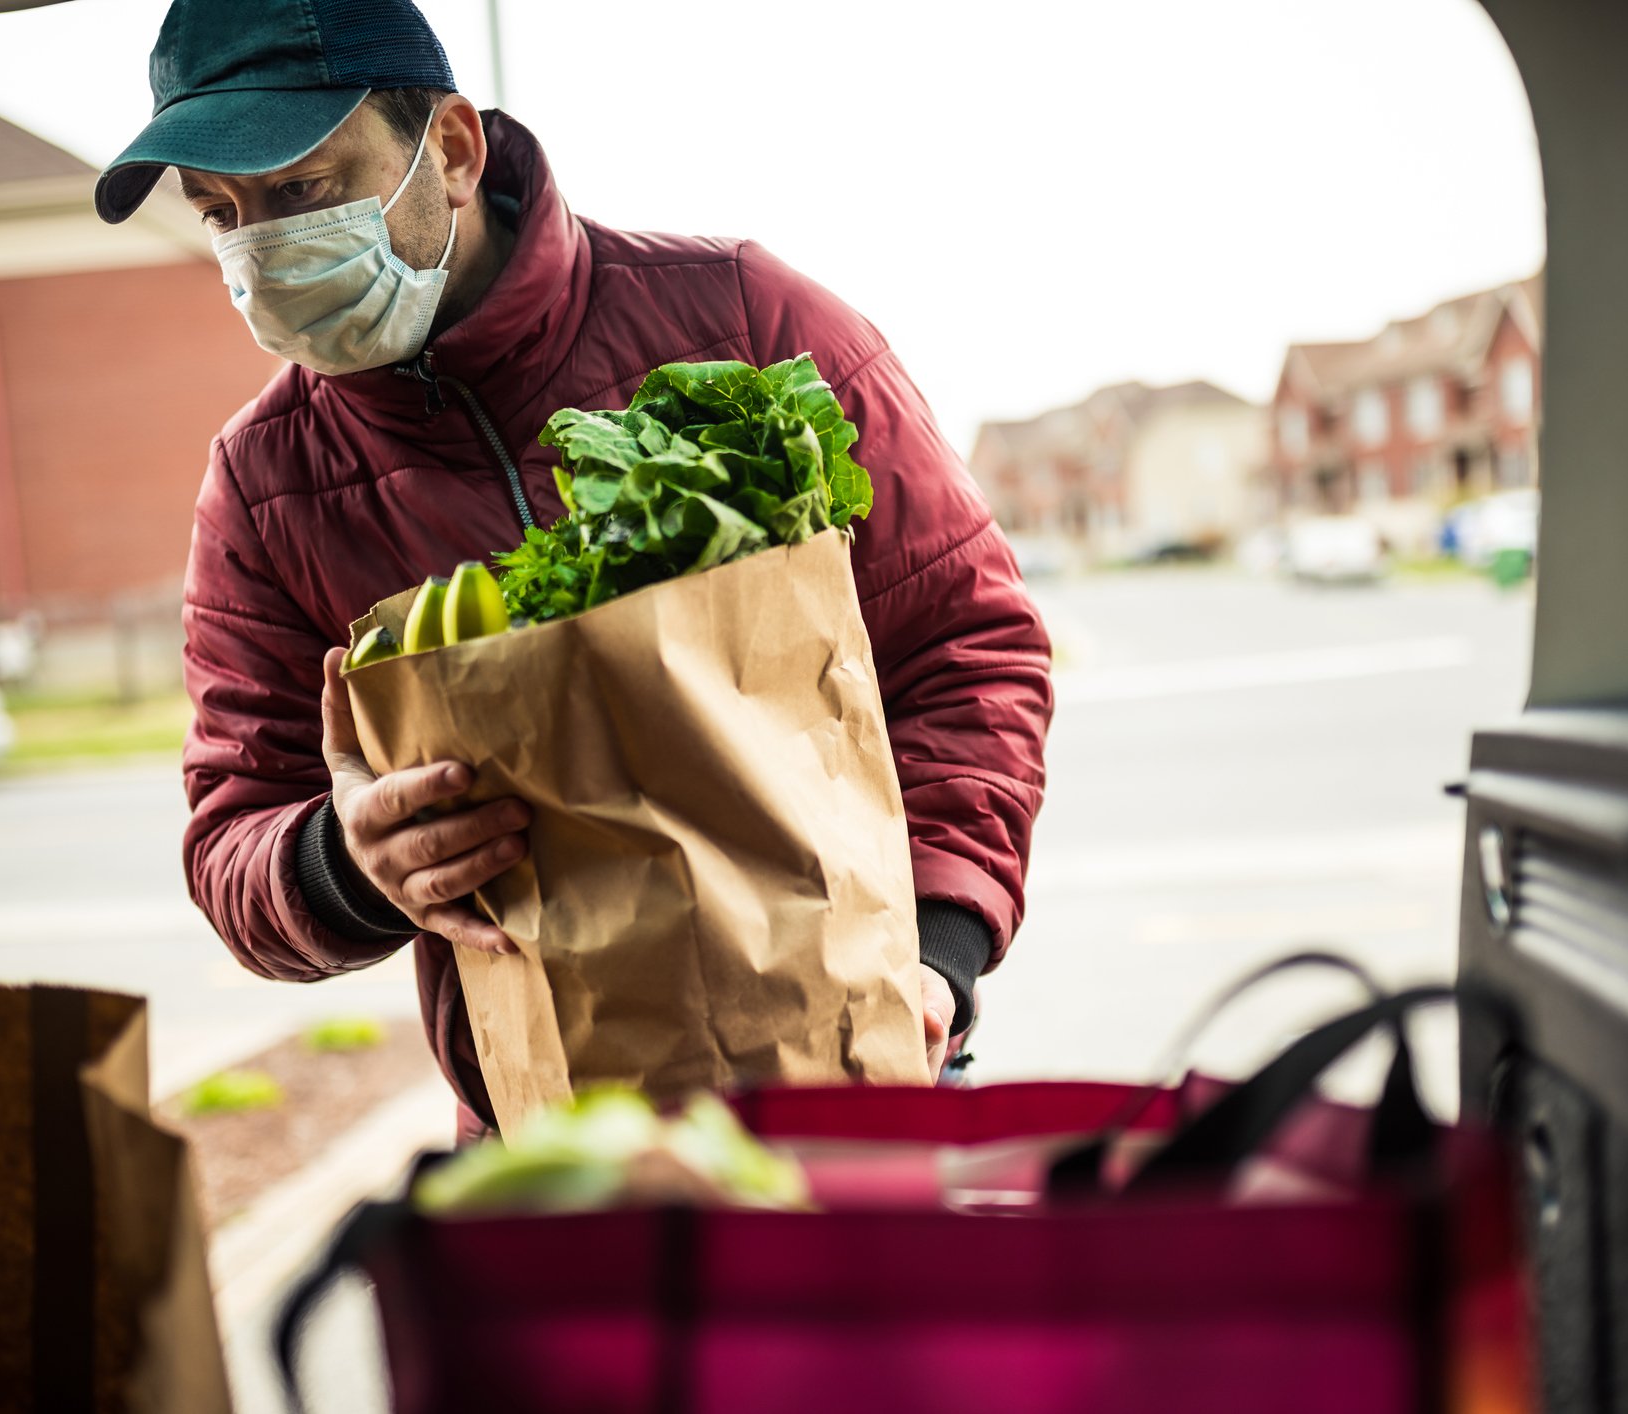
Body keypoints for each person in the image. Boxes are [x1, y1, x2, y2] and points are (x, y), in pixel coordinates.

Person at [98, 0, 1052, 1137]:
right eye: (221, 212)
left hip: (855, 1053)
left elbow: (966, 649)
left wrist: (940, 946)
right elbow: (232, 839)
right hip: (542, 1127)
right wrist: (345, 862)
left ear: (449, 150)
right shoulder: (264, 486)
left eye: (300, 190)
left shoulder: (745, 316)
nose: (259, 248)